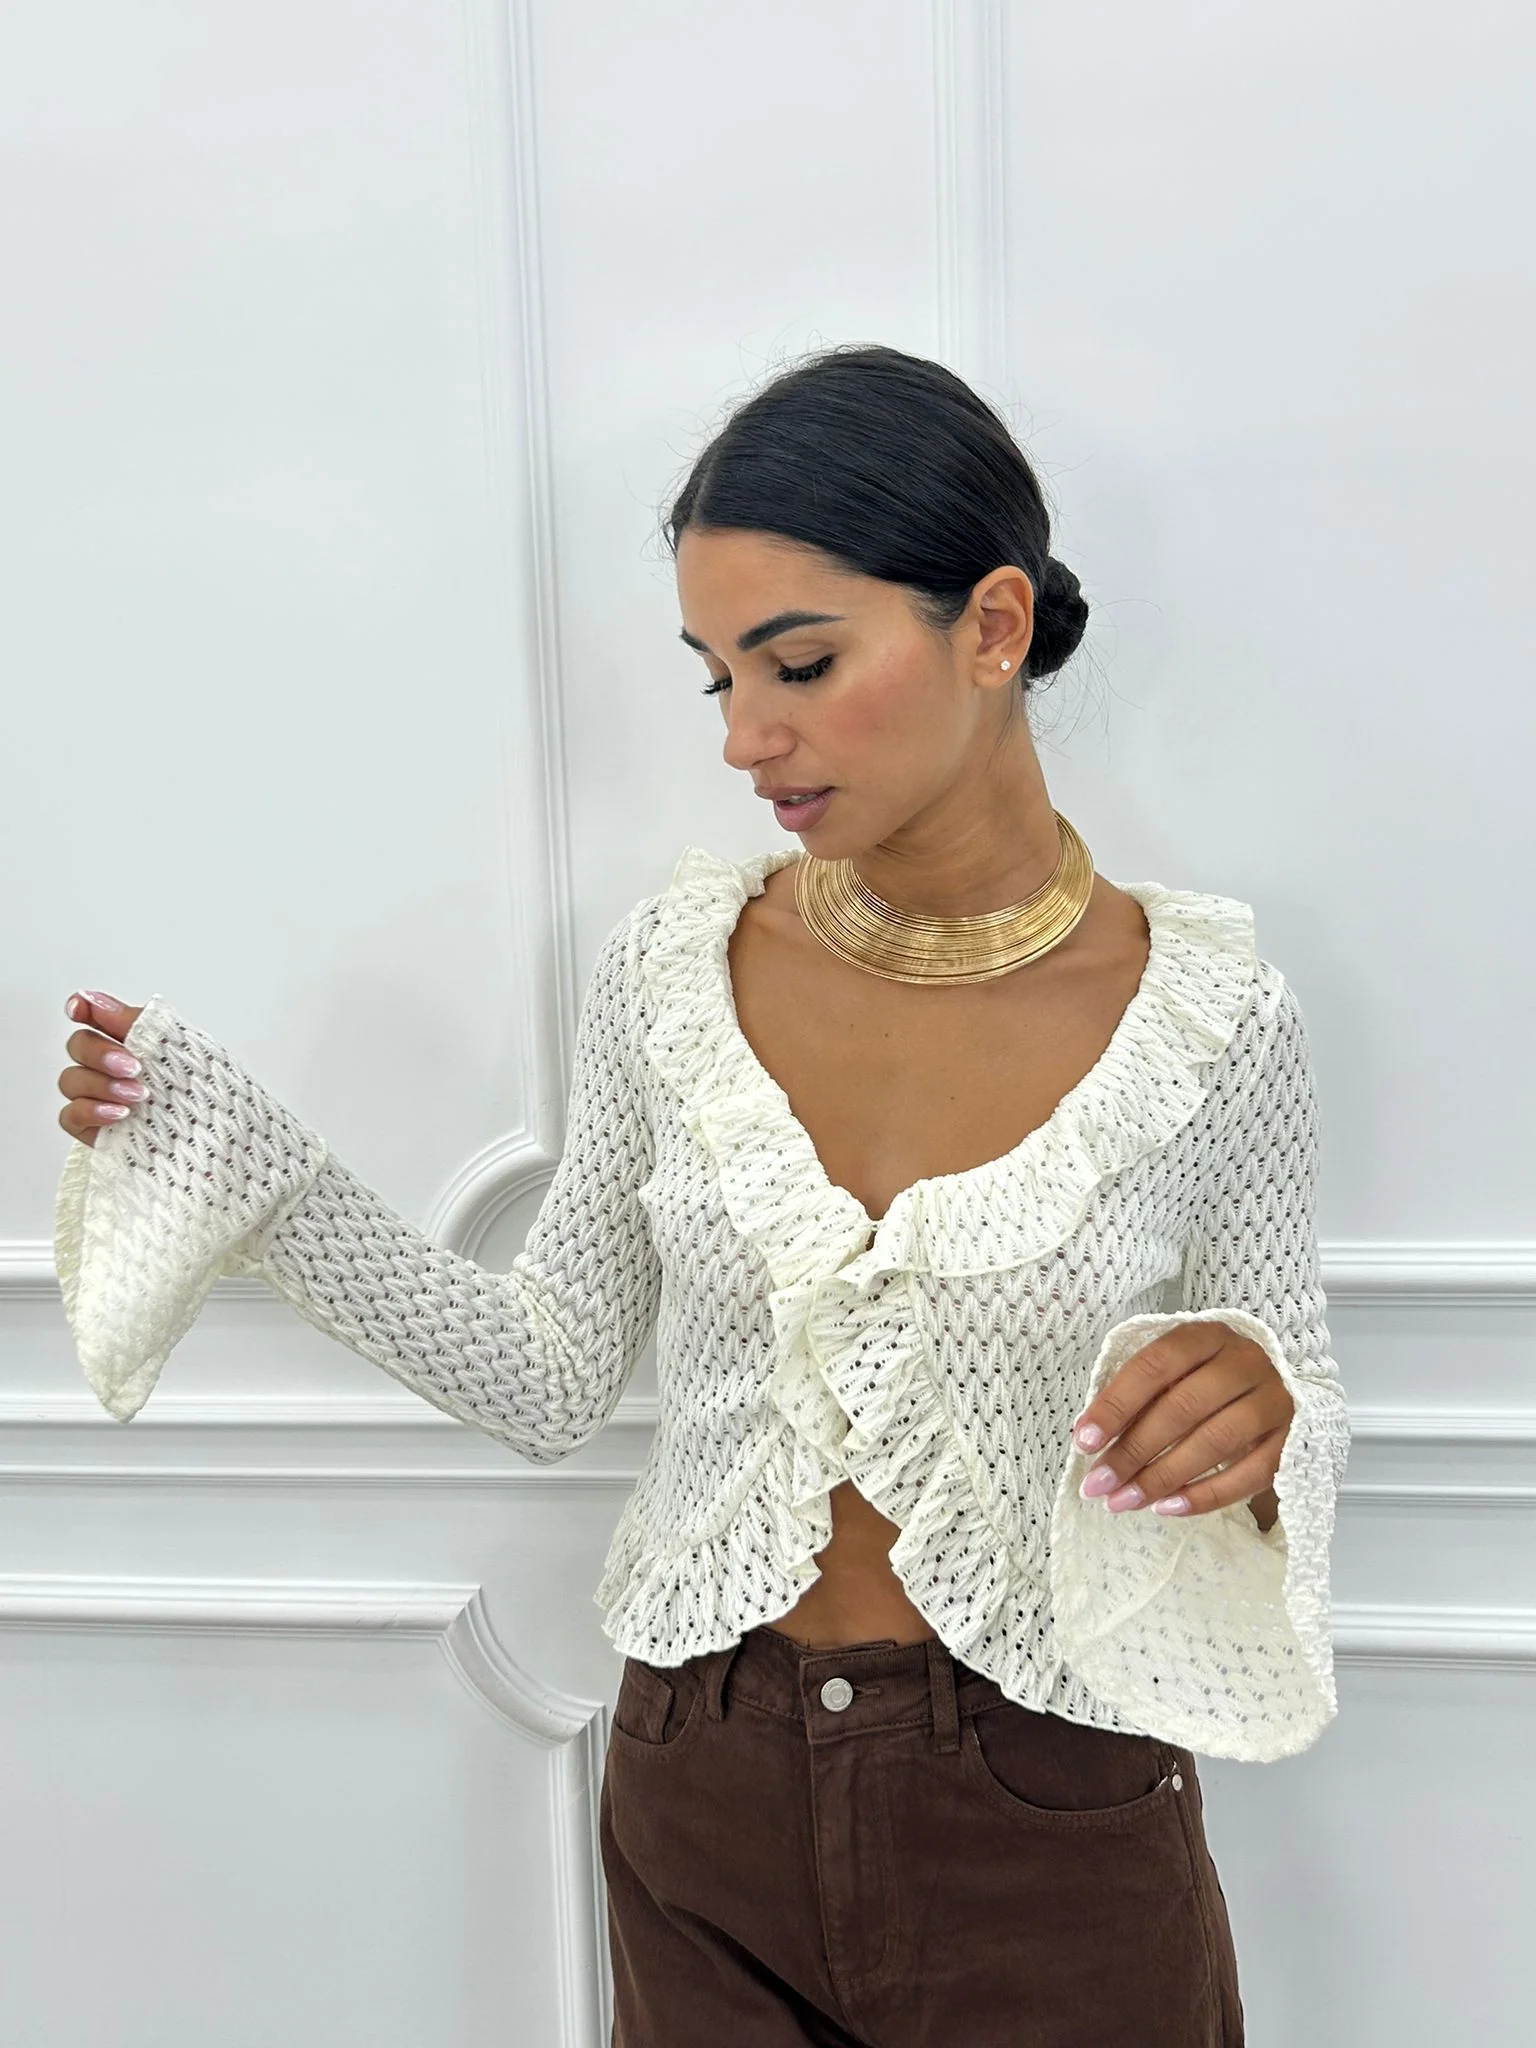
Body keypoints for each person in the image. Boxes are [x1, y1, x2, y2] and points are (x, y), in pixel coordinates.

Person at [54, 343, 1349, 2046]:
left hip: (1052, 1801)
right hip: (702, 1783)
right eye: (716, 677)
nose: (745, 737)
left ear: (994, 627)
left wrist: (1262, 1428)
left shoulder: (1213, 1019)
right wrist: (262, 1179)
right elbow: (548, 1374)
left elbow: (1295, 1408)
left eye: (798, 664)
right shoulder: (675, 973)